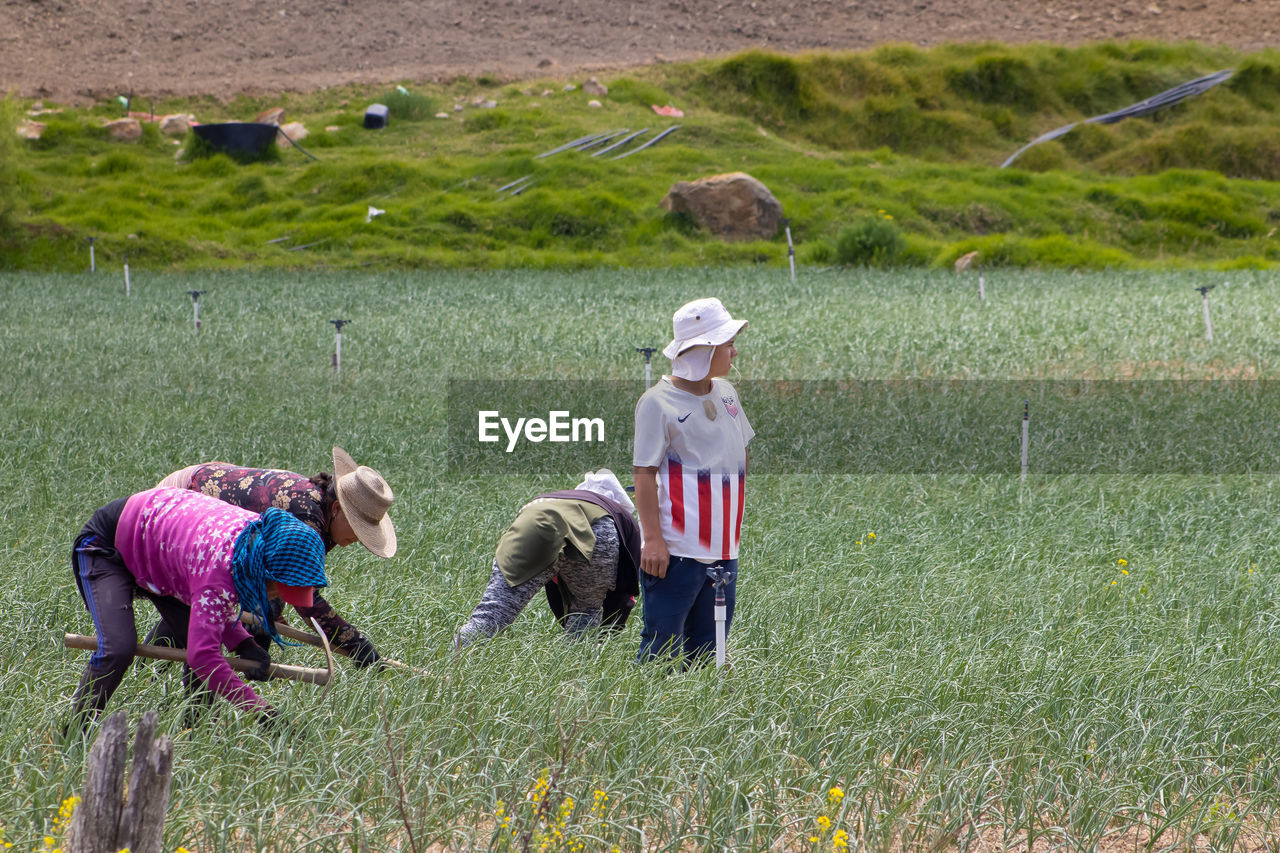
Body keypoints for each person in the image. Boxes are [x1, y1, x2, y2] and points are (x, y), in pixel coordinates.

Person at [68, 487, 328, 731]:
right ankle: (73, 735)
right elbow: (202, 656)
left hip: (165, 555)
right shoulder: (223, 565)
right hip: (107, 544)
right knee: (119, 647)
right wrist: (262, 712)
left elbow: (213, 607)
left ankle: (193, 729)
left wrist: (244, 644)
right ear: (265, 571)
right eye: (279, 589)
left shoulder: (253, 546)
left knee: (196, 637)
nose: (275, 597)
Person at [147, 447, 395, 668]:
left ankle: (239, 674)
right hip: (182, 501)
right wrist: (355, 643)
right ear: (338, 509)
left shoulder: (322, 511)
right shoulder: (307, 519)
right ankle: (156, 672)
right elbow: (305, 598)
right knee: (194, 604)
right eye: (358, 528)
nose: (360, 540)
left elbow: (280, 576)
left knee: (263, 611)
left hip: (208, 501)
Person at [633, 297, 753, 665]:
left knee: (709, 650)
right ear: (703, 349)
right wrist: (653, 540)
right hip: (677, 552)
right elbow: (644, 473)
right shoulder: (657, 402)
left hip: (724, 550)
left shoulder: (728, 393)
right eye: (728, 344)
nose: (734, 352)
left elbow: (741, 448)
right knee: (661, 650)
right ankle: (644, 717)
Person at [455, 469, 641, 648]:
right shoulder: (622, 515)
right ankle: (574, 674)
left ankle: (451, 667)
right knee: (586, 612)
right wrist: (610, 630)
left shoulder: (555, 497)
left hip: (535, 519)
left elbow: (551, 578)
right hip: (602, 533)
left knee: (493, 613)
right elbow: (626, 585)